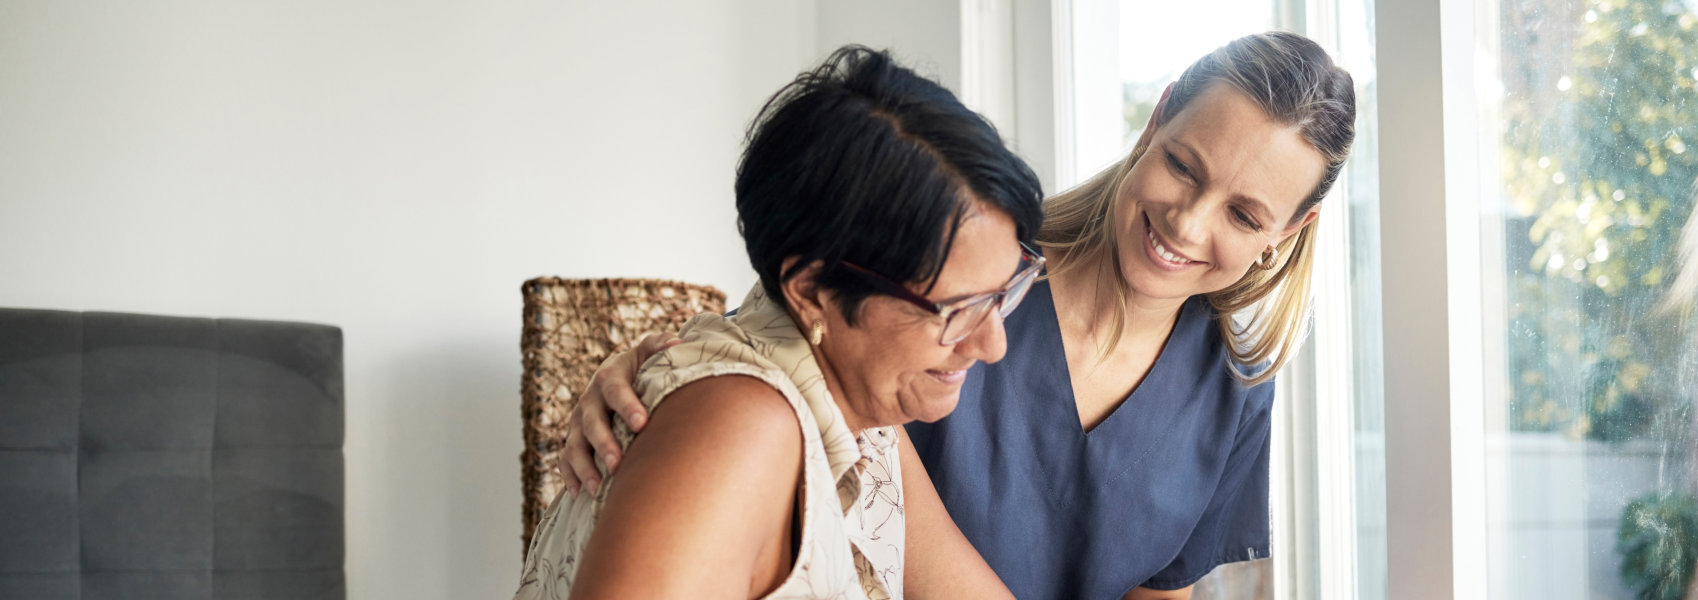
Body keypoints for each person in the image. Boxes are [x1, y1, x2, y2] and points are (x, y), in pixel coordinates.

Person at [564, 31, 1356, 599]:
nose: (1187, 225)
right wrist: (663, 377)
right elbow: (779, 345)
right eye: (1184, 166)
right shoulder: (955, 253)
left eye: (1246, 215)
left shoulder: (1233, 391)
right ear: (1158, 118)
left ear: (1289, 231)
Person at [515, 45, 1045, 599]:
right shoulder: (739, 427)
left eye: (1003, 292)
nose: (994, 344)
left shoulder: (866, 420)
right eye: (958, 310)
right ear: (811, 292)